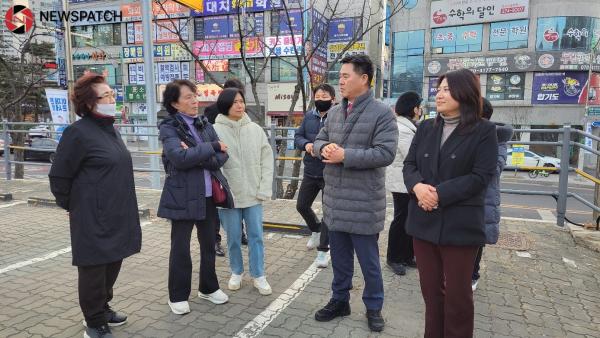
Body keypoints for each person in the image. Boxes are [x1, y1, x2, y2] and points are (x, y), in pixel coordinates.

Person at [403, 68, 498, 338]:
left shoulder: (484, 130)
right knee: (431, 296)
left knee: (458, 298)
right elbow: (409, 165)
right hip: (423, 222)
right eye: (439, 89)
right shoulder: (426, 127)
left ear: (464, 93)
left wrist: (438, 194)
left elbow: (481, 177)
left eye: (446, 89)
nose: (439, 94)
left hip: (460, 226)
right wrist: (418, 187)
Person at [49, 73, 142, 338]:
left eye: (112, 94)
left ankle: (103, 307)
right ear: (90, 103)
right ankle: (93, 320)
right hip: (91, 215)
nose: (112, 98)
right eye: (106, 95)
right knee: (93, 269)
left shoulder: (110, 129)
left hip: (117, 212)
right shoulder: (77, 133)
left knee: (113, 263)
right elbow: (59, 177)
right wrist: (74, 207)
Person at [312, 54, 398, 332]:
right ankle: (340, 301)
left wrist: (344, 155)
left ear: (364, 79)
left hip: (363, 202)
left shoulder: (382, 112)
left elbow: (385, 153)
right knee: (340, 259)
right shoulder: (336, 111)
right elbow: (320, 138)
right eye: (340, 76)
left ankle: (374, 307)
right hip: (336, 201)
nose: (341, 80)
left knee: (369, 263)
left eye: (346, 76)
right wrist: (323, 147)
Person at [157, 80, 233, 315]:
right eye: (188, 97)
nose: (194, 100)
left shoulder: (203, 123)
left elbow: (223, 156)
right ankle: (177, 295)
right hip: (182, 196)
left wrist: (195, 153)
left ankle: (208, 288)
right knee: (180, 248)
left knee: (209, 244)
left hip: (209, 194)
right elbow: (178, 158)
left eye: (195, 95)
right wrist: (211, 147)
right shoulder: (168, 127)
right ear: (174, 103)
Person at [213, 88, 274, 295]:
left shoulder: (255, 129)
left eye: (241, 101)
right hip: (228, 195)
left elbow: (266, 159)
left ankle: (259, 275)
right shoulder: (214, 130)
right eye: (234, 102)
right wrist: (221, 190)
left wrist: (264, 188)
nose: (239, 105)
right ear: (225, 105)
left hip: (253, 193)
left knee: (256, 235)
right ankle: (236, 271)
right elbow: (213, 164)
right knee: (233, 236)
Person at [471, 98, 513, 291]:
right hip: (465, 200)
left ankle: (473, 275)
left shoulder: (497, 139)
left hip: (483, 200)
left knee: (476, 240)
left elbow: (493, 169)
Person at [204, 78, 248, 256]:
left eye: (240, 98)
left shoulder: (244, 112)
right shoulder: (211, 111)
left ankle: (240, 233)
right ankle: (215, 241)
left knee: (238, 201)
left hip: (238, 166)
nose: (237, 102)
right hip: (218, 165)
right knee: (217, 205)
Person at [294, 83, 335, 268]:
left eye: (325, 96)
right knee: (302, 205)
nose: (321, 99)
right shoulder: (309, 116)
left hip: (331, 172)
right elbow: (298, 136)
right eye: (318, 96)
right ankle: (316, 230)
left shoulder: (339, 116)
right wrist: (306, 145)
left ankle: (323, 251)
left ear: (333, 99)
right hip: (311, 170)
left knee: (328, 212)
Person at [385, 91, 422, 276]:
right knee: (401, 219)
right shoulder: (402, 129)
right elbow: (412, 156)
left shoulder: (409, 126)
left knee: (409, 219)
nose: (420, 110)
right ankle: (393, 258)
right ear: (414, 108)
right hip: (402, 182)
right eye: (419, 106)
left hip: (406, 181)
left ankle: (407, 256)